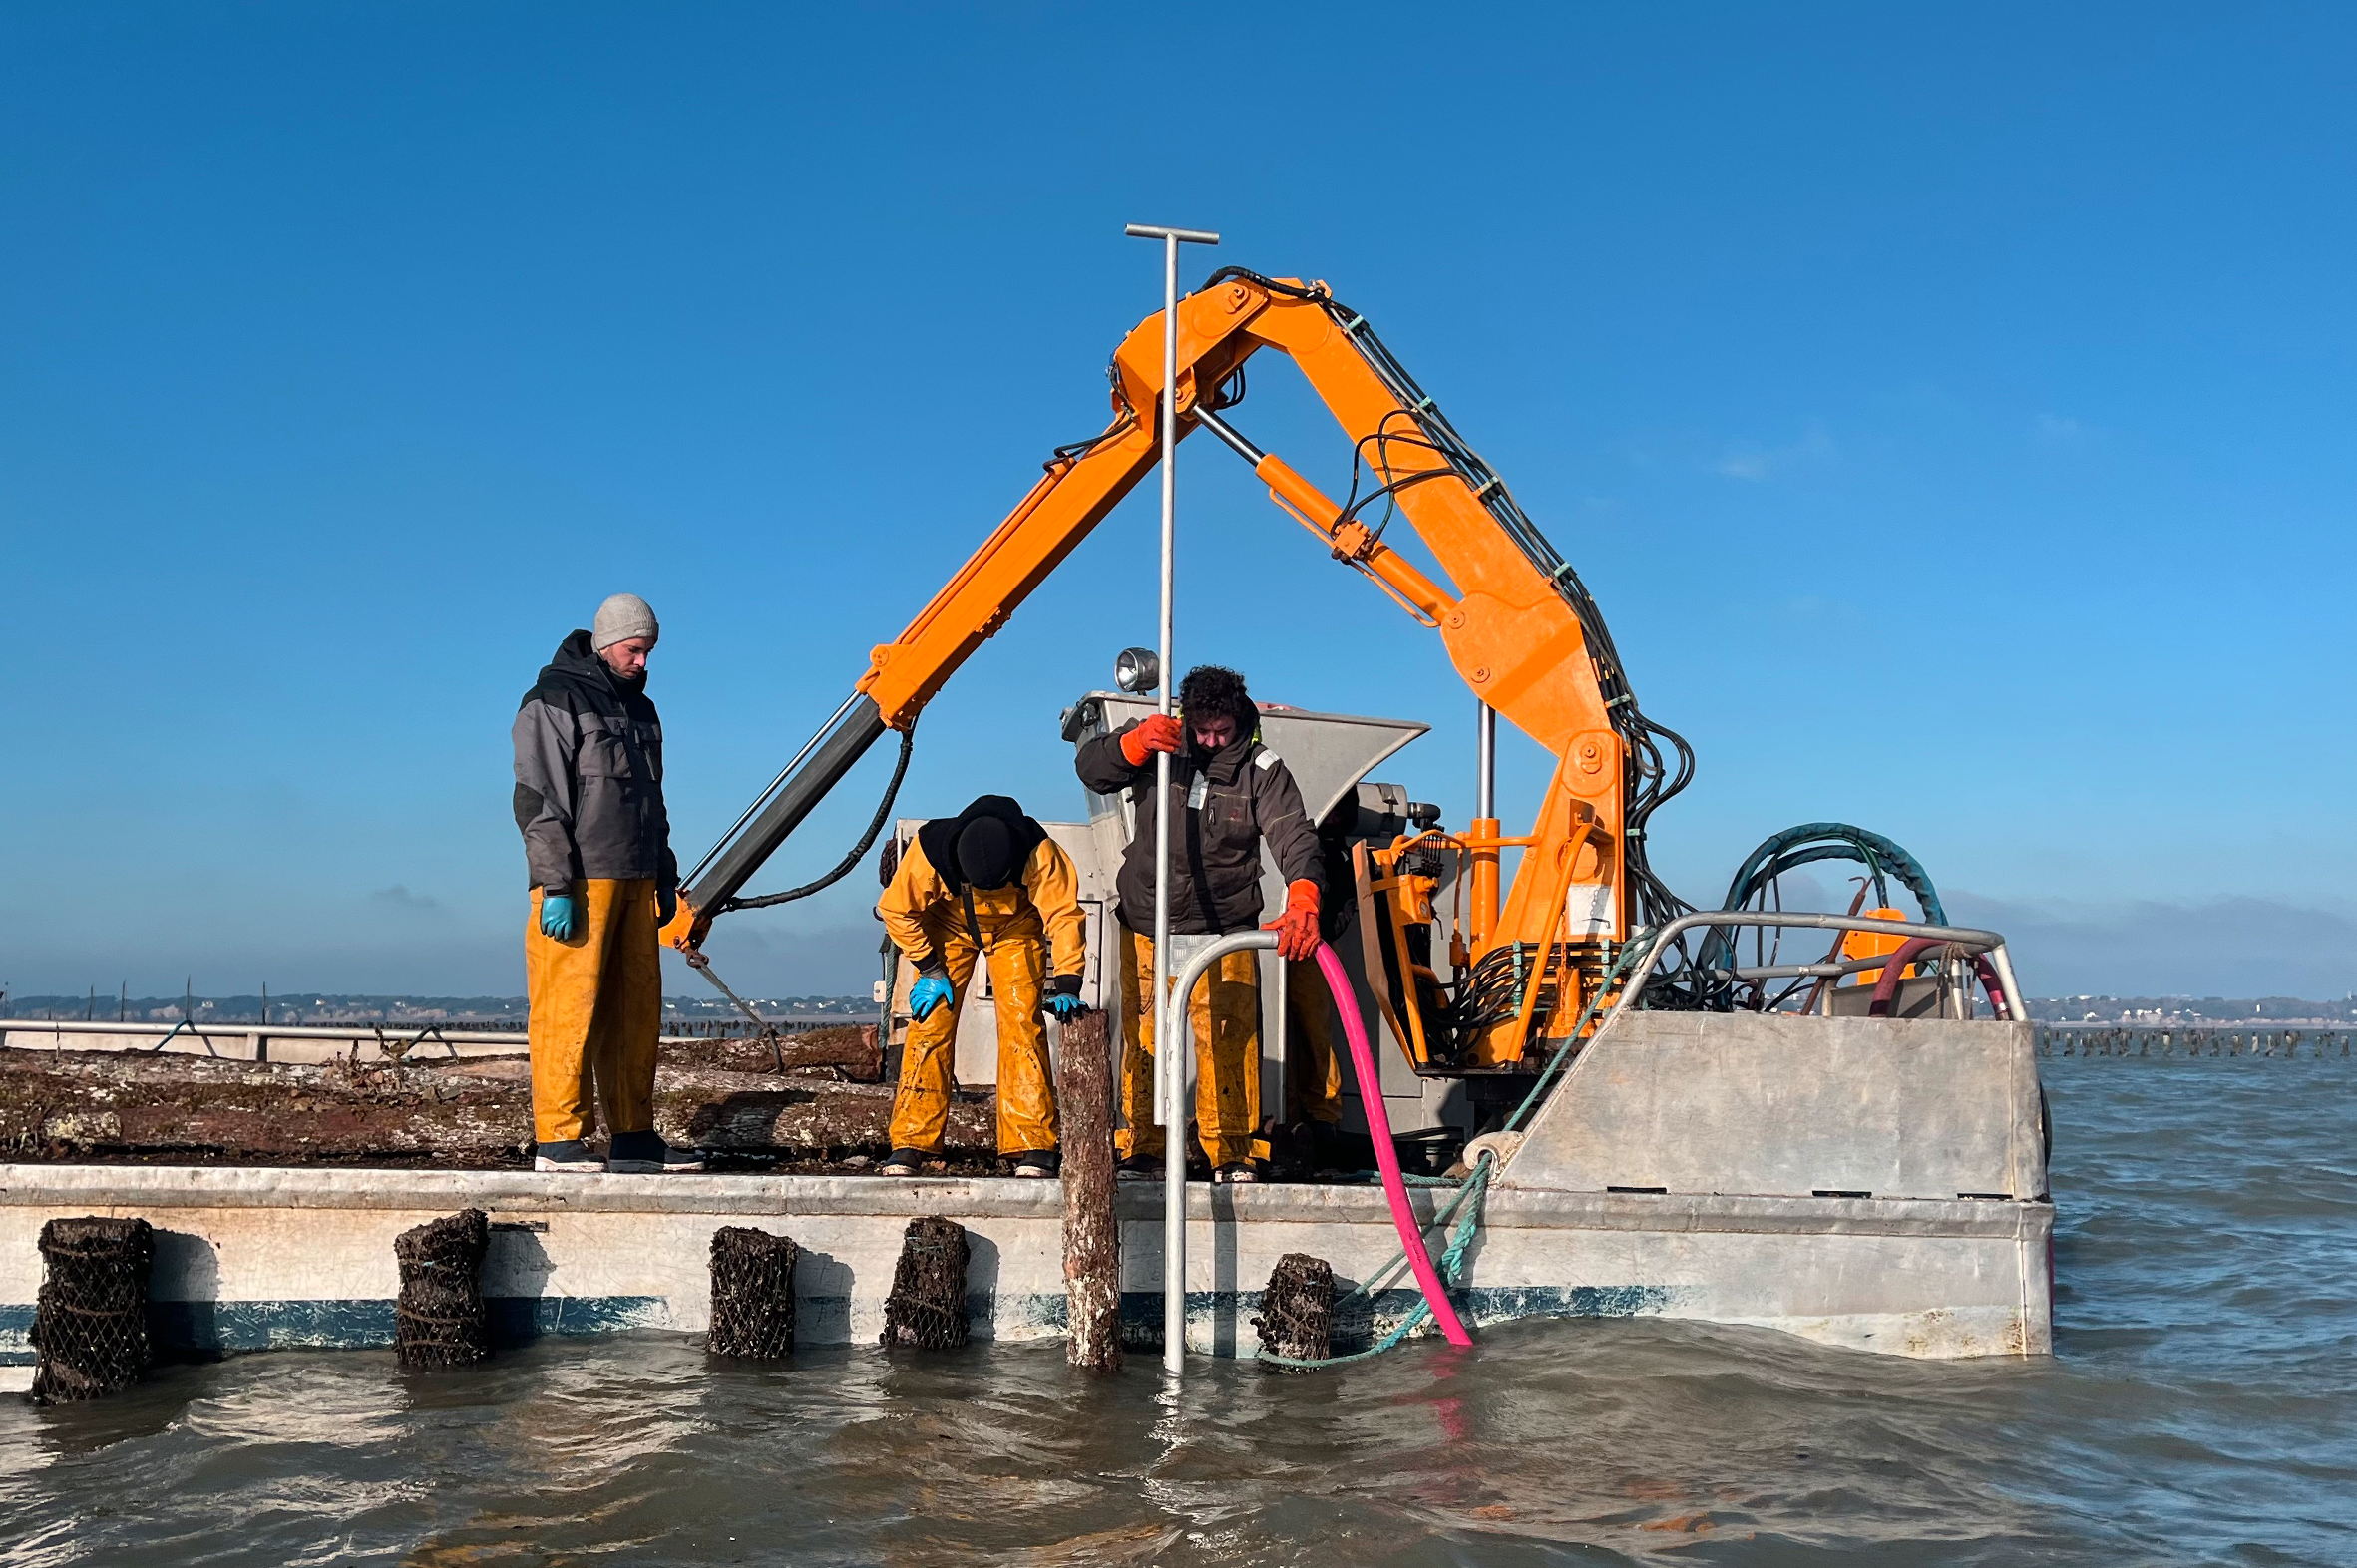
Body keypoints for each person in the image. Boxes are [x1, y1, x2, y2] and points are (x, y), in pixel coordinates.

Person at [1073, 664, 1322, 1183]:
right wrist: (1133, 745)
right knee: (1144, 1038)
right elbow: (1092, 769)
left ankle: (1231, 1150)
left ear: (1239, 721)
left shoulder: (1263, 770)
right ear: (1188, 717)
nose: (1211, 741)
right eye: (1203, 729)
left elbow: (1292, 834)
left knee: (1229, 1039)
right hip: (1147, 923)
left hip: (1224, 928)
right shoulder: (1158, 745)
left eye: (1222, 731)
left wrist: (1303, 893)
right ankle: (1144, 1145)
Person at [511, 593, 700, 1175]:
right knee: (567, 1009)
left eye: (649, 652)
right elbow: (538, 798)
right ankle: (559, 1139)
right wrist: (556, 884)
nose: (643, 663)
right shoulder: (553, 700)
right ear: (606, 642)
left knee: (635, 1011)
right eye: (635, 650)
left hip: (637, 878)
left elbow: (653, 802)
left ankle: (634, 1136)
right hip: (580, 880)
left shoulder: (643, 712)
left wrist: (665, 877)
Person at [876, 794, 1088, 1178]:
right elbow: (896, 909)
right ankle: (910, 1141)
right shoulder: (929, 851)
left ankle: (1033, 1143)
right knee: (930, 1026)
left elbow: (1064, 915)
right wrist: (929, 969)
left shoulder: (1040, 852)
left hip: (1015, 929)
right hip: (950, 927)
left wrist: (1070, 982)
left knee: (1023, 1026)